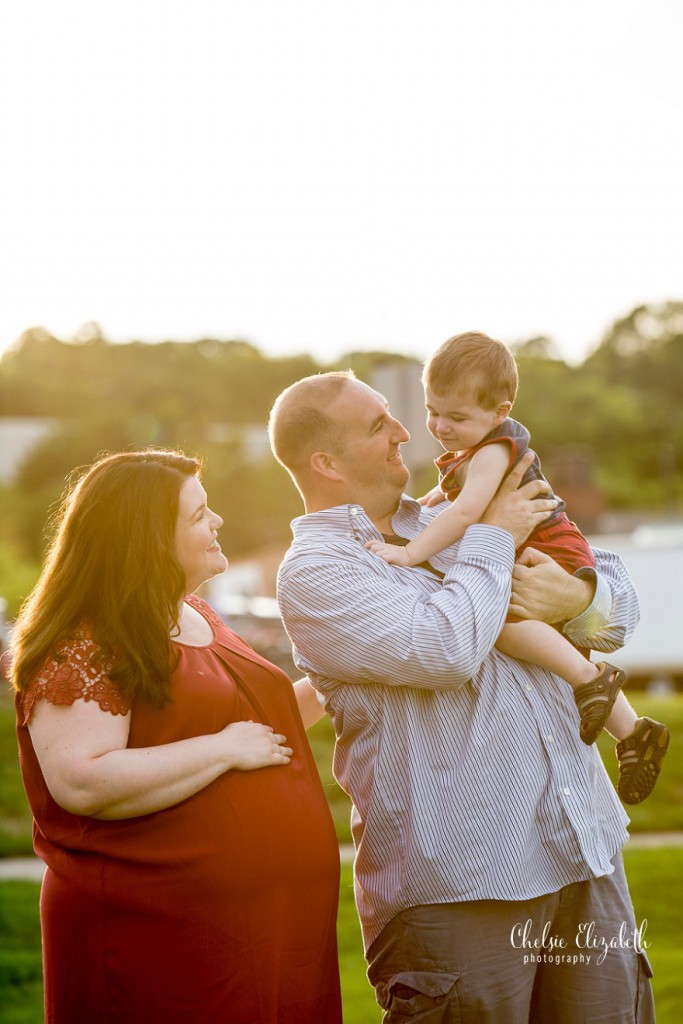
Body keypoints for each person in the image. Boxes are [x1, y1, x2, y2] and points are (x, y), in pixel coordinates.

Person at [268, 370, 655, 1024]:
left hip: (585, 853)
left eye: (393, 414)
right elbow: (442, 650)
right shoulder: (317, 571)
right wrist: (494, 537)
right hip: (463, 889)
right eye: (376, 425)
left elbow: (620, 623)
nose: (403, 432)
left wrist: (580, 599)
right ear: (325, 463)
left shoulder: (454, 513)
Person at [10, 449, 342, 1024]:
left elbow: (265, 726)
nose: (216, 523)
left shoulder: (199, 616)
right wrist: (221, 750)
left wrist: (349, 675)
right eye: (198, 515)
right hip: (155, 936)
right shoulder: (85, 642)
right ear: (148, 538)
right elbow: (82, 781)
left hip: (261, 932)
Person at [364, 331, 669, 804]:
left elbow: (465, 512)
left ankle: (593, 683)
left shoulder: (491, 451)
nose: (440, 426)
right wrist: (420, 508)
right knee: (540, 637)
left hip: (552, 547)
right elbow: (447, 499)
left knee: (500, 618)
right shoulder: (474, 446)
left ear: (499, 412)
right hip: (544, 546)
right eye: (432, 411)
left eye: (456, 416)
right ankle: (634, 734)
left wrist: (409, 552)